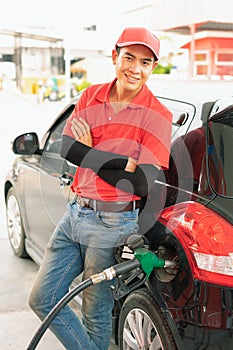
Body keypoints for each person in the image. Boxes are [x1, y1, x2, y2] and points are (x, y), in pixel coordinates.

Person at [29, 27, 172, 349]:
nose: (135, 68)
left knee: (95, 311)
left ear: (153, 67)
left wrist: (89, 152)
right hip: (75, 213)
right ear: (115, 56)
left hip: (113, 222)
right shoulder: (90, 96)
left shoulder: (157, 116)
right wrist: (121, 161)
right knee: (42, 298)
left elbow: (140, 182)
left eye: (146, 62)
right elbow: (68, 149)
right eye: (129, 57)